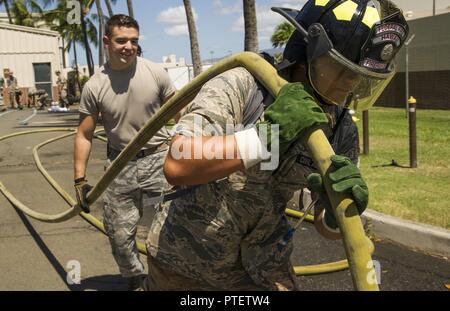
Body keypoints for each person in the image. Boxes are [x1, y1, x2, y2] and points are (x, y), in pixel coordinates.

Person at [144, 0, 409, 290]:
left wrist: (338, 214)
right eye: (341, 69)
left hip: (263, 270)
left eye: (359, 75)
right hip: (187, 264)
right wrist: (267, 137)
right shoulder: (242, 85)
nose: (350, 83)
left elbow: (325, 226)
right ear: (307, 51)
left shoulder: (340, 129)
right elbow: (178, 163)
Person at [73, 14, 176, 290]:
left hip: (159, 159)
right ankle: (135, 279)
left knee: (179, 225)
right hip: (120, 164)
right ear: (107, 41)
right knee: (118, 236)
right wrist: (79, 180)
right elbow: (84, 134)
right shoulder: (95, 85)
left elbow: (182, 113)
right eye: (121, 41)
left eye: (134, 41)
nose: (129, 46)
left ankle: (172, 279)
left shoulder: (155, 72)